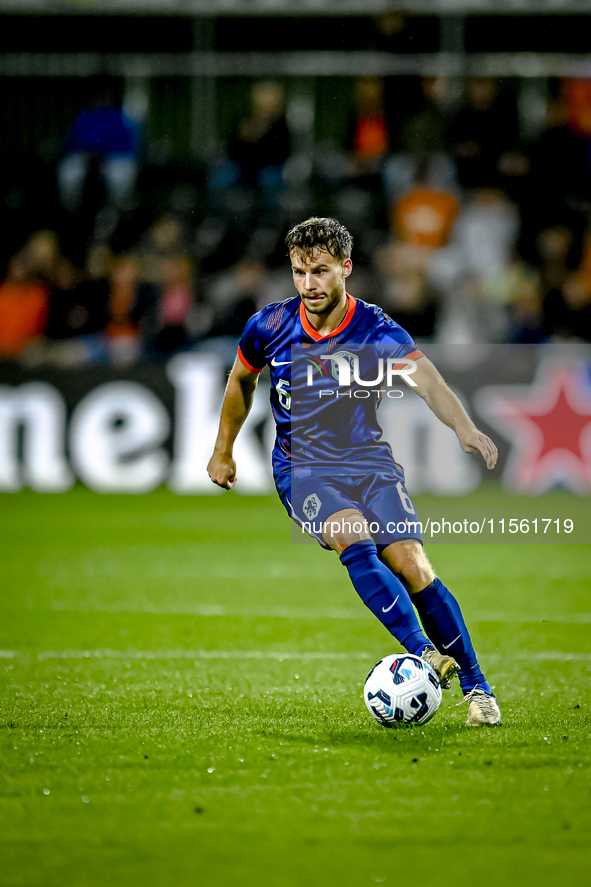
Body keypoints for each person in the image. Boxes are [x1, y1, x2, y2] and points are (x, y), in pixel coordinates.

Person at [207, 217, 501, 727]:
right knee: (352, 535)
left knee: (413, 565)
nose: (308, 284)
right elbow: (240, 383)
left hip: (369, 463)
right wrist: (223, 450)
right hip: (303, 468)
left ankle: (478, 689)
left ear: (346, 268)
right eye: (299, 272)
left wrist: (464, 429)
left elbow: (429, 382)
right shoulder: (270, 327)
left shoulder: (377, 329)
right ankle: (424, 654)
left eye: (319, 271)